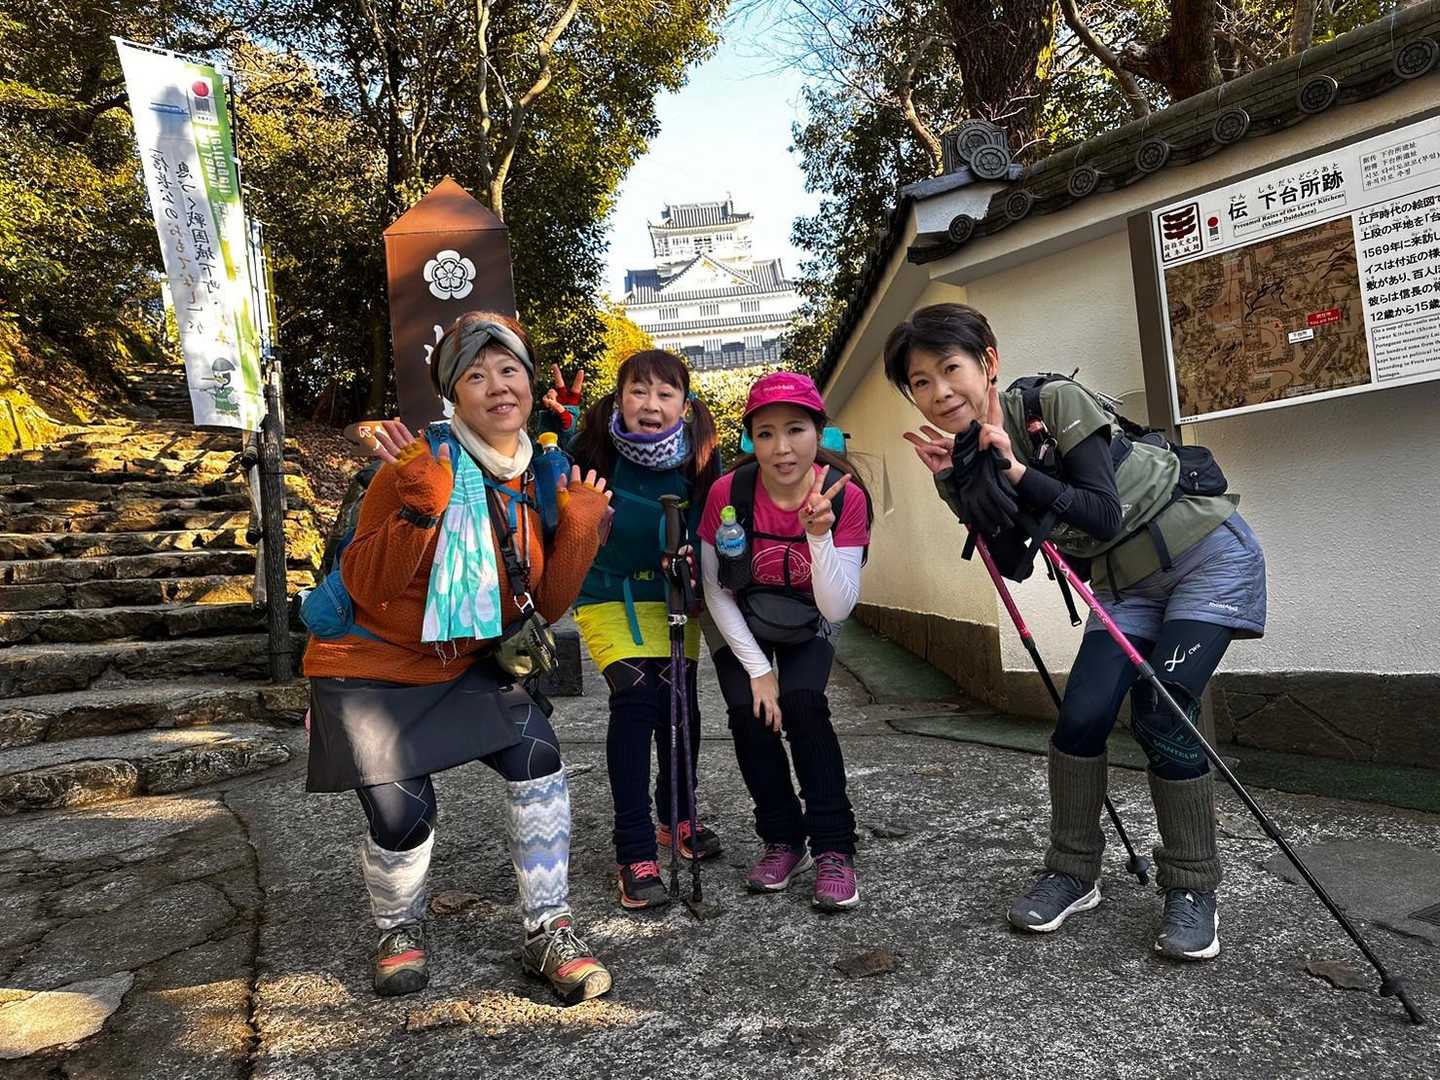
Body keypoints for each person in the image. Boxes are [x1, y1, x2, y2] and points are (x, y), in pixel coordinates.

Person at [886, 302, 1266, 961]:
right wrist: (955, 484)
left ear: (987, 363)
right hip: (1127, 587)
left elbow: (1100, 512)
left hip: (1207, 558)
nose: (939, 391)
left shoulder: (1051, 404)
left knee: (1162, 713)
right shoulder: (968, 457)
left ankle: (1192, 886)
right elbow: (1013, 561)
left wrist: (1014, 469)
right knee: (1080, 719)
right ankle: (1072, 872)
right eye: (920, 382)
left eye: (950, 369)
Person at [303, 311, 616, 1002]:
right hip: (373, 665)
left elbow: (541, 605)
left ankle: (548, 928)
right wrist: (420, 509)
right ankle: (397, 926)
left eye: (509, 370)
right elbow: (370, 588)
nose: (498, 387)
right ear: (452, 393)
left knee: (538, 756)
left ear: (529, 383)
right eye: (476, 375)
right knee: (403, 817)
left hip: (464, 660)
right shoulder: (416, 466)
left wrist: (580, 531)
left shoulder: (540, 473)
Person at [697, 371, 873, 912]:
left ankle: (834, 848)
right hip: (740, 612)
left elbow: (837, 607)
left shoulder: (846, 496)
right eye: (765, 433)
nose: (781, 448)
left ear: (819, 432)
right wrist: (758, 669)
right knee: (750, 713)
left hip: (811, 612)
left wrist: (817, 534)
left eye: (795, 429)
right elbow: (714, 589)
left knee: (803, 704)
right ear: (751, 439)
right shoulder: (729, 493)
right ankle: (782, 839)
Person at [558, 350, 724, 910]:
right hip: (609, 594)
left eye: (664, 393)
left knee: (680, 706)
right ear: (620, 397)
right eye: (638, 390)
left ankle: (677, 814)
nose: (650, 404)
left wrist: (696, 557)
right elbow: (547, 480)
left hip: (673, 597)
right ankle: (633, 848)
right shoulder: (592, 449)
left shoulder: (701, 459)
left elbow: (715, 527)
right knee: (636, 701)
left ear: (684, 404)